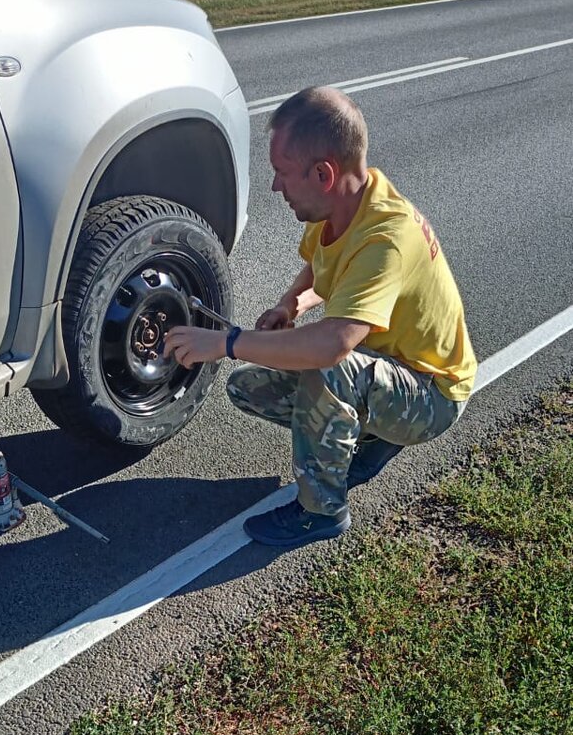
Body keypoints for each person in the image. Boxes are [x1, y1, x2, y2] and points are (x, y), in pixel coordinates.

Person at [163, 86, 477, 548]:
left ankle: (321, 512)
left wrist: (226, 342)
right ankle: (373, 434)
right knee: (248, 388)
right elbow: (319, 264)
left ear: (323, 173)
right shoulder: (341, 205)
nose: (275, 186)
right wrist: (291, 304)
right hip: (390, 366)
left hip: (433, 394)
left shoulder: (386, 239)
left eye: (282, 173)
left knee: (328, 369)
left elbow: (333, 345)